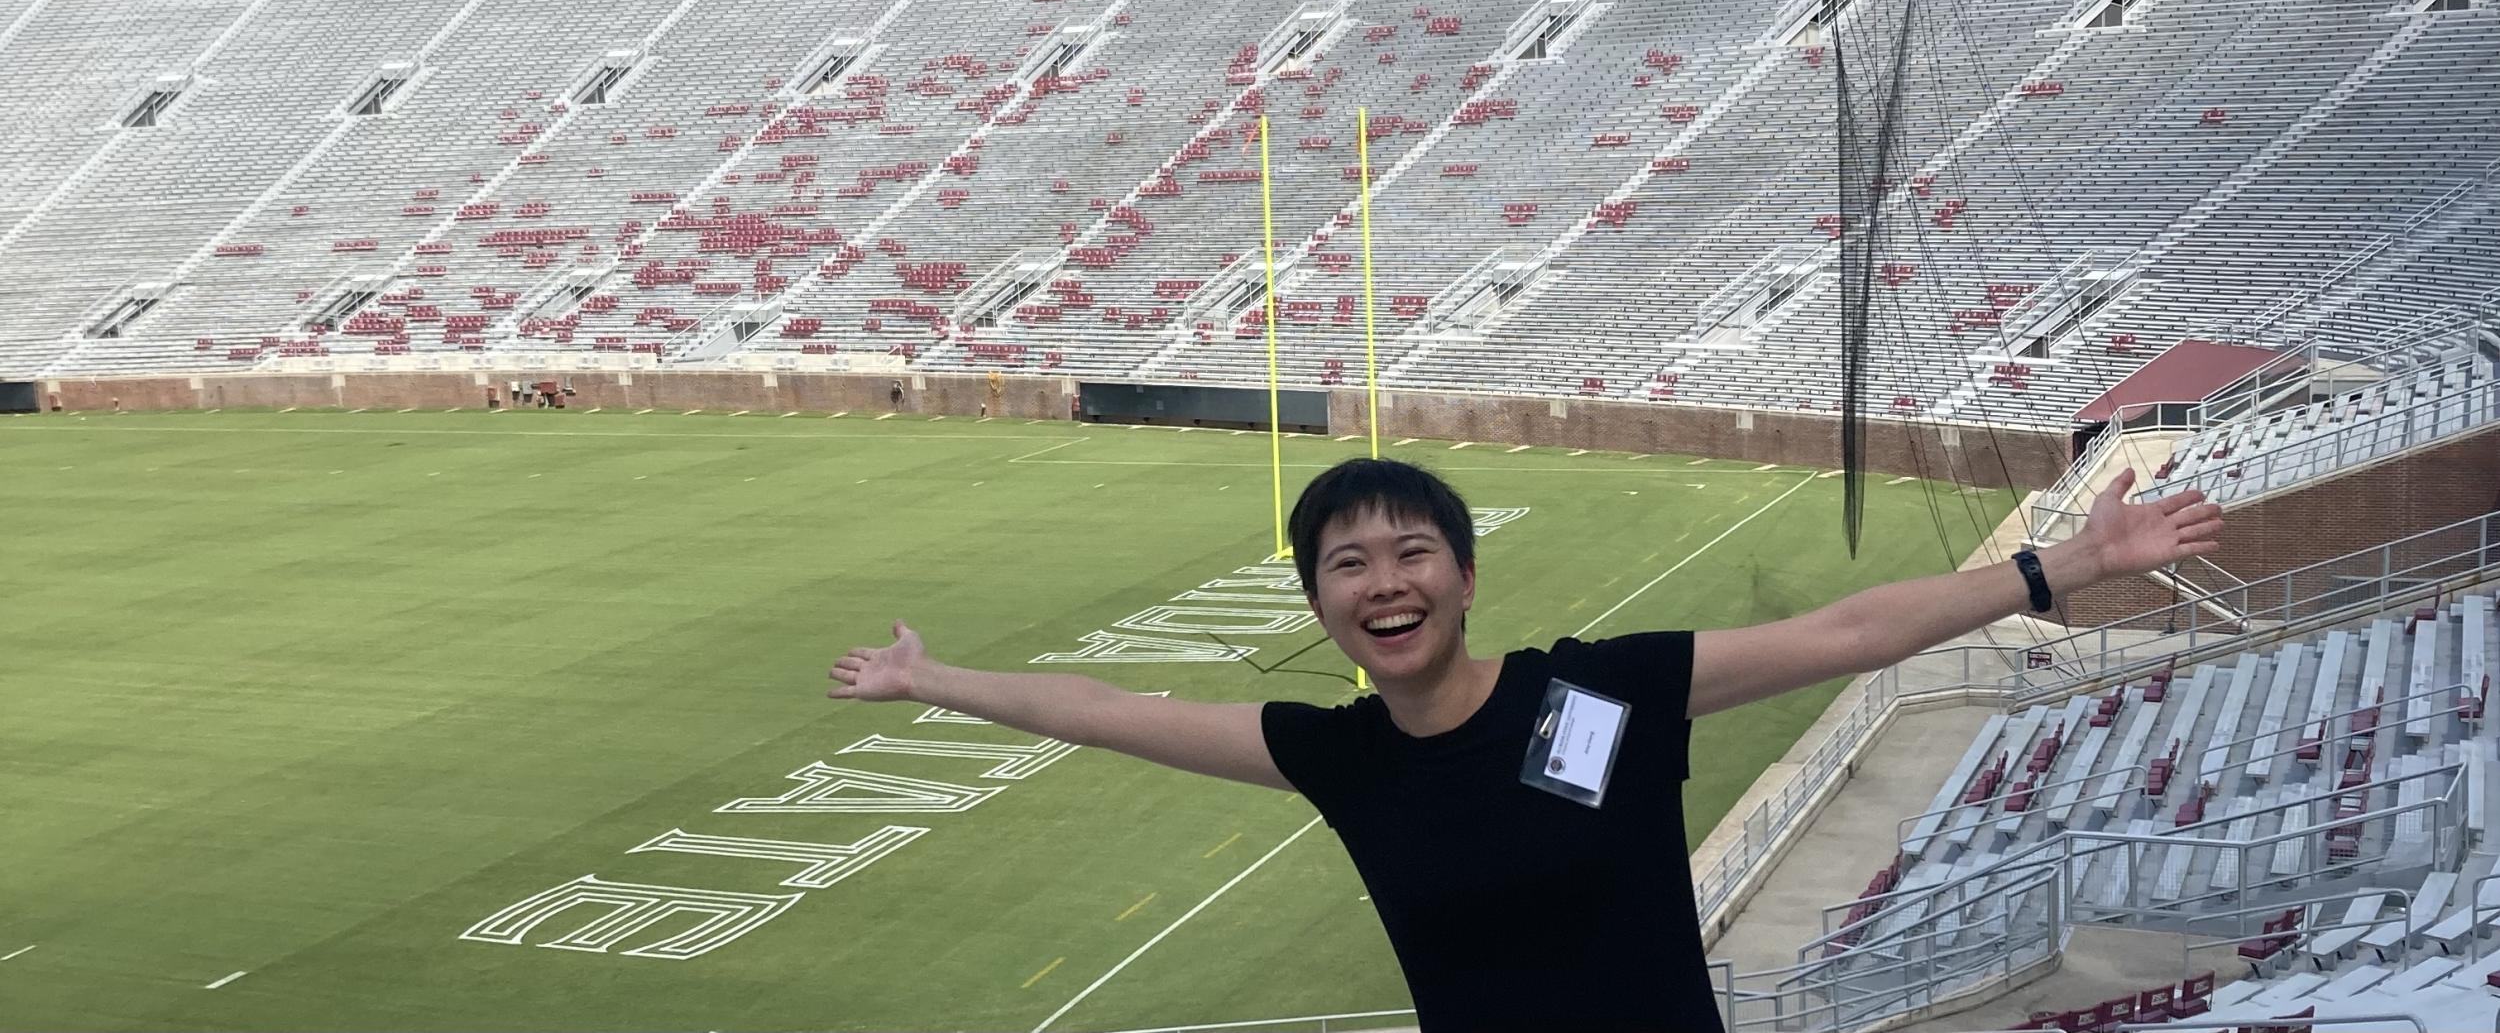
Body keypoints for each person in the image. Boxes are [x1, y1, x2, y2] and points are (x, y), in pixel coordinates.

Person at [830, 455, 2221, 1032]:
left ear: (1465, 574)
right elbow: (1118, 713)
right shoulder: (1345, 757)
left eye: (1412, 551)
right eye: (1348, 565)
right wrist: (936, 678)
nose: (1385, 583)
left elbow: (1846, 632)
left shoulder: (1595, 699)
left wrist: (2070, 563)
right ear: (1318, 603)